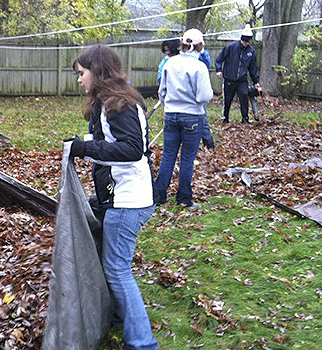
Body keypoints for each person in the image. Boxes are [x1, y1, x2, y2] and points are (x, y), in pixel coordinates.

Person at [67, 44, 158, 350]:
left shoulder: (116, 104)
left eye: (82, 73)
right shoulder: (112, 99)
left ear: (97, 70)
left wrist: (87, 149)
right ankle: (120, 316)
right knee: (115, 265)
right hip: (122, 197)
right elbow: (112, 141)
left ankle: (143, 342)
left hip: (128, 201)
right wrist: (84, 142)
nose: (80, 80)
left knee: (118, 269)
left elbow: (132, 149)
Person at [155, 29, 214, 208]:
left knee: (168, 156)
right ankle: (184, 198)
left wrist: (170, 106)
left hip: (171, 115)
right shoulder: (199, 67)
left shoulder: (169, 63)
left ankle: (158, 196)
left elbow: (162, 91)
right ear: (199, 45)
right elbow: (204, 96)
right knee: (187, 159)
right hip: (192, 117)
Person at [215, 24, 260, 124]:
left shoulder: (251, 51)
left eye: (249, 41)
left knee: (244, 96)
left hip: (242, 80)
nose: (247, 43)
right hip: (229, 79)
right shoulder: (231, 47)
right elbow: (219, 60)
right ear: (242, 39)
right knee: (228, 99)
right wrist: (219, 70)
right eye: (245, 41)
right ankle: (225, 117)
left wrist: (256, 81)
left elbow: (253, 68)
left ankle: (245, 118)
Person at [186, 29, 215, 150]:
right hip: (185, 95)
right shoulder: (180, 58)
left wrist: (202, 51)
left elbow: (207, 63)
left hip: (197, 94)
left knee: (202, 120)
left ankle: (209, 144)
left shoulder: (201, 57)